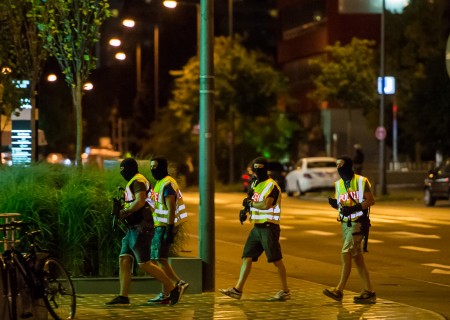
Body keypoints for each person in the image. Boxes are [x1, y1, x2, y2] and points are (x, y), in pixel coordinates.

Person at [106, 158, 182, 306]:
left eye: (124, 170)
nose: (122, 173)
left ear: (130, 169)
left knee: (144, 263)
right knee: (124, 259)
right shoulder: (135, 180)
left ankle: (173, 288)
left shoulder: (138, 181)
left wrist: (124, 211)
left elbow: (140, 201)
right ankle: (123, 296)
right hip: (132, 228)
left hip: (141, 227)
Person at [219, 157, 290, 301]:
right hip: (257, 227)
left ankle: (285, 291)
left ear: (265, 170)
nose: (257, 172)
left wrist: (250, 204)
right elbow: (251, 200)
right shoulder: (255, 184)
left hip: (269, 227)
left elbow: (266, 205)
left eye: (260, 169)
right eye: (255, 170)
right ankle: (237, 290)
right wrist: (245, 210)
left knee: (276, 260)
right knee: (247, 256)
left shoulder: (272, 186)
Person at [323, 155, 376, 304]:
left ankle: (339, 290)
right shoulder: (338, 184)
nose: (339, 169)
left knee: (346, 253)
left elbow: (370, 200)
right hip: (345, 224)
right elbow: (342, 204)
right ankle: (369, 292)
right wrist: (336, 205)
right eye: (337, 166)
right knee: (358, 260)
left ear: (349, 167)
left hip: (358, 223)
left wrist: (354, 208)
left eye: (342, 166)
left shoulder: (361, 181)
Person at [147, 156, 190, 304]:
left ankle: (178, 284)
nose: (153, 169)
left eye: (155, 166)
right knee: (159, 259)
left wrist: (169, 230)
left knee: (159, 259)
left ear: (163, 167)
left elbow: (171, 208)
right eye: (151, 166)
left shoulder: (167, 184)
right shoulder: (160, 183)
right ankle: (166, 293)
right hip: (161, 225)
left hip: (165, 226)